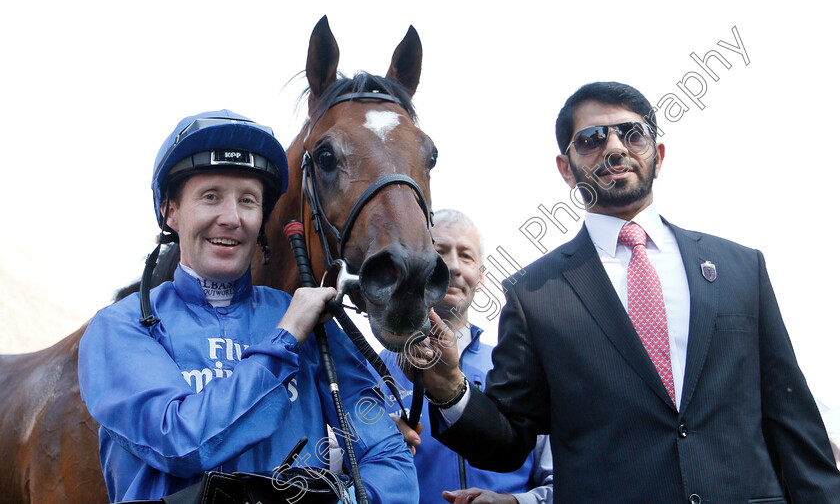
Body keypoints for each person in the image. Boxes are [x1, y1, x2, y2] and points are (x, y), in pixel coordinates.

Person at [414, 83, 840, 503]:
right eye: (591, 139)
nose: (615, 148)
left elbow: (792, 420)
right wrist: (451, 386)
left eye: (632, 134)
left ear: (659, 154)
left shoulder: (740, 269)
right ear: (566, 167)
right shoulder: (534, 294)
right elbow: (510, 441)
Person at [78, 110, 417, 503]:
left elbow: (388, 456)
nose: (231, 218)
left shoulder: (308, 319)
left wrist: (343, 499)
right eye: (211, 197)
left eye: (248, 201)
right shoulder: (120, 328)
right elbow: (182, 441)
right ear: (171, 211)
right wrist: (285, 340)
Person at [377, 209, 553, 504]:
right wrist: (370, 445)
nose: (454, 267)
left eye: (467, 256)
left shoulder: (523, 370)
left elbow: (562, 482)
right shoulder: (373, 370)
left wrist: (513, 502)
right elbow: (341, 473)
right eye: (440, 252)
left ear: (481, 277)